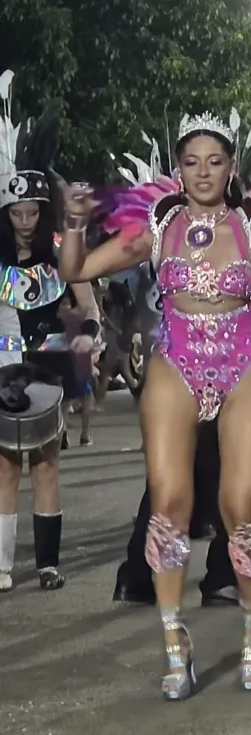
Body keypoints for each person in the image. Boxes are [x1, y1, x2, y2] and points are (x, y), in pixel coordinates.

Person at [59, 111, 251, 700]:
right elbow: (76, 269)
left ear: (231, 166)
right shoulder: (158, 227)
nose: (204, 172)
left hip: (243, 364)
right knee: (171, 505)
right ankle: (174, 641)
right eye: (192, 161)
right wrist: (76, 224)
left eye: (215, 161)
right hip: (176, 362)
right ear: (177, 168)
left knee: (241, 505)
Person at [0, 92, 99, 592]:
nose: (24, 221)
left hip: (48, 367)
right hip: (2, 365)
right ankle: (1, 567)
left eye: (32, 212)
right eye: (15, 213)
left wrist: (87, 335)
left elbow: (88, 306)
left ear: (42, 210)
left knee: (46, 463)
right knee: (2, 467)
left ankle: (47, 564)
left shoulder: (61, 253)